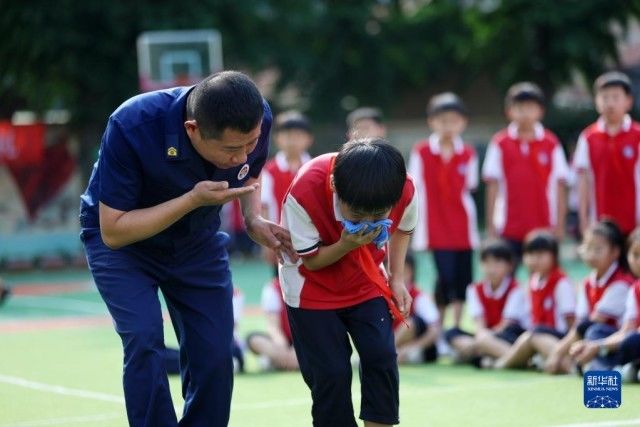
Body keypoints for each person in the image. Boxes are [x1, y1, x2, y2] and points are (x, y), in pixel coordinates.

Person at [79, 71, 295, 427]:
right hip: (123, 246)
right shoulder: (132, 124)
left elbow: (249, 174)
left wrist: (252, 218)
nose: (243, 155)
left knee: (214, 352)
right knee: (144, 338)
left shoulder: (256, 116)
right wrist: (191, 199)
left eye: (251, 143)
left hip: (196, 241)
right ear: (193, 129)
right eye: (231, 149)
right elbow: (114, 231)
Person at [279, 139, 416, 427]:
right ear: (333, 185)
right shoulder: (305, 191)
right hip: (310, 290)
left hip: (365, 281)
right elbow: (312, 261)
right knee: (331, 374)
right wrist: (346, 244)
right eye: (356, 214)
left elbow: (404, 227)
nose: (367, 223)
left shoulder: (400, 186)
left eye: (377, 216)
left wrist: (397, 277)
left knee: (381, 357)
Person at [409, 92, 478, 329]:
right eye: (442, 120)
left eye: (453, 120)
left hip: (463, 226)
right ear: (432, 122)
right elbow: (414, 187)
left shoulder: (468, 153)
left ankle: (456, 326)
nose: (448, 126)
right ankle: (439, 326)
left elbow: (470, 186)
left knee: (462, 278)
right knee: (444, 275)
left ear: (463, 122)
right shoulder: (422, 152)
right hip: (435, 225)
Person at [482, 82, 569, 262]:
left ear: (540, 111)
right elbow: (492, 186)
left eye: (530, 108)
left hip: (544, 226)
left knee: (543, 281)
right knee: (506, 279)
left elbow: (560, 186)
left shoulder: (551, 143)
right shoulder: (500, 143)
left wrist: (560, 226)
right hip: (508, 227)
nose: (525, 113)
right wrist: (491, 227)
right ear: (509, 111)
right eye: (519, 108)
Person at [545, 220, 632, 374]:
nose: (591, 254)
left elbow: (592, 322)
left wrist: (558, 352)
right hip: (593, 340)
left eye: (597, 249)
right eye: (587, 248)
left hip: (615, 340)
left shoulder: (621, 283)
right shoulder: (588, 283)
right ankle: (579, 364)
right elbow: (580, 322)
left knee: (593, 331)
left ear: (615, 252)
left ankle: (601, 368)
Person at [494, 230, 576, 370]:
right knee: (509, 332)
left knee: (534, 333)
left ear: (554, 256)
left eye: (540, 255)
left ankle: (501, 364)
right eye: (530, 255)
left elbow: (571, 322)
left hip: (556, 336)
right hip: (536, 331)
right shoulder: (532, 282)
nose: (534, 260)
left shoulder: (561, 282)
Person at [573, 71, 640, 237]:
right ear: (596, 102)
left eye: (615, 97)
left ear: (628, 101)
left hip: (635, 223)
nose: (609, 103)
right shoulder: (588, 137)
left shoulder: (637, 135)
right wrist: (583, 220)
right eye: (605, 97)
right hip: (600, 223)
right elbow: (583, 181)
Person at [569, 227, 640, 381]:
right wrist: (595, 346)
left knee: (632, 341)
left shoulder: (622, 284)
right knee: (595, 333)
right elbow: (626, 331)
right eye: (635, 255)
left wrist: (599, 347)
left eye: (597, 249)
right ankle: (619, 370)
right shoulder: (635, 289)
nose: (637, 260)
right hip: (629, 341)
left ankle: (608, 368)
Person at [444, 239, 528, 367]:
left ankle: (513, 359)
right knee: (451, 333)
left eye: (497, 263)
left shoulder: (516, 289)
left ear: (510, 266)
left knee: (497, 337)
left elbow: (507, 324)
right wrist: (483, 337)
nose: (491, 269)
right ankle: (490, 356)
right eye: (486, 263)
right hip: (486, 336)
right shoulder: (474, 289)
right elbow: (479, 325)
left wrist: (483, 339)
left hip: (507, 335)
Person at [261, 110, 313, 270]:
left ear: (309, 139)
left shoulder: (314, 167)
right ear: (277, 139)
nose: (292, 141)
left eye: (298, 135)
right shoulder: (269, 171)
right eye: (287, 135)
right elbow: (264, 207)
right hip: (281, 241)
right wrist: (267, 243)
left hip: (311, 237)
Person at [394, 253, 440, 364]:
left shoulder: (419, 297)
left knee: (410, 323)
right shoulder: (383, 295)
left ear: (411, 271)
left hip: (419, 348)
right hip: (397, 345)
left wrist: (413, 347)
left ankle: (386, 353)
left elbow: (435, 331)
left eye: (404, 270)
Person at [246, 278, 298, 371]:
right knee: (254, 339)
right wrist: (283, 350)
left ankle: (278, 361)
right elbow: (272, 326)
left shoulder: (308, 284)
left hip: (303, 341)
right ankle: (286, 360)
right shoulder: (273, 288)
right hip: (281, 343)